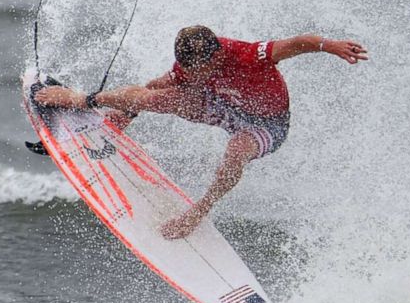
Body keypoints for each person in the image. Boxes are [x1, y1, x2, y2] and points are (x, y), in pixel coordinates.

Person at [32, 25, 367, 238]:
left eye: (199, 70)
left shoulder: (249, 56)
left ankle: (198, 212)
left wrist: (331, 45)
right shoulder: (190, 66)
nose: (192, 74)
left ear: (217, 55)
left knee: (236, 150)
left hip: (266, 124)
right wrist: (128, 114)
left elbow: (297, 42)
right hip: (221, 106)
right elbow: (156, 88)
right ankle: (91, 106)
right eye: (188, 70)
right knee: (152, 94)